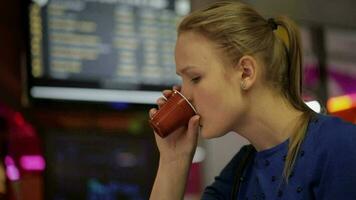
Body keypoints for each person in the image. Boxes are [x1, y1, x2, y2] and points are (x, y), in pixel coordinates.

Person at [148, 1, 356, 200]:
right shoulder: (240, 172)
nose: (185, 96)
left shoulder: (341, 148)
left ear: (246, 73)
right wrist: (173, 161)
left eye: (195, 78)